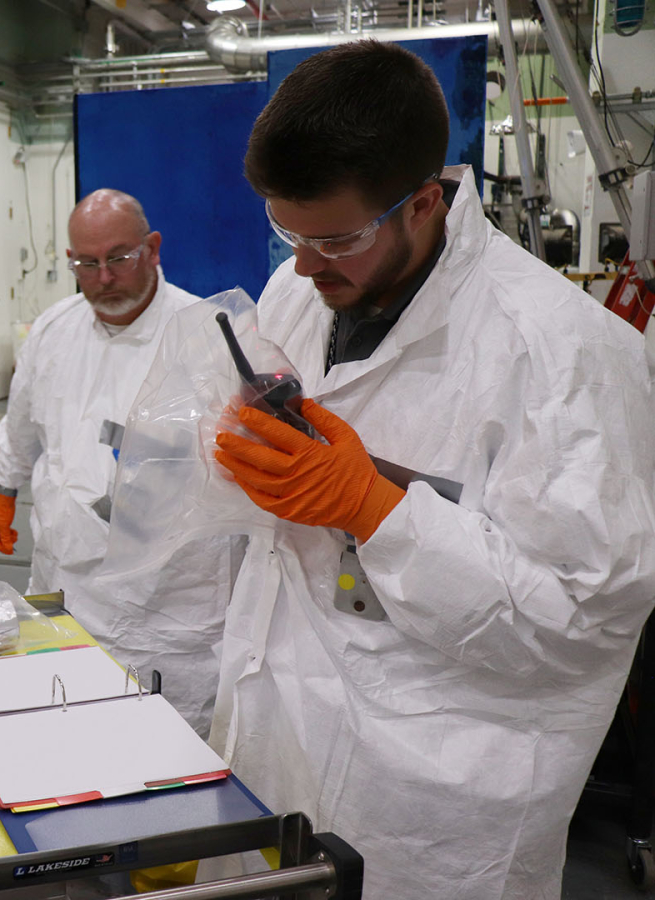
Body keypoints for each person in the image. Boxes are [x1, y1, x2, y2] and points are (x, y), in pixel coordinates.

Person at [209, 41, 655, 899]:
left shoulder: (564, 351)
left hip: (427, 802)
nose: (302, 266)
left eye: (332, 237)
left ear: (422, 203)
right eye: (285, 232)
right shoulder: (300, 296)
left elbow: (586, 620)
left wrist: (377, 510)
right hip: (275, 743)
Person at [0, 189, 232, 735]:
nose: (103, 277)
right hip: (65, 574)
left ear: (153, 249)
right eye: (84, 263)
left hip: (167, 602)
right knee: (62, 726)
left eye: (118, 258)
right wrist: (3, 488)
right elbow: (22, 420)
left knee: (167, 749)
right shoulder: (53, 329)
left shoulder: (207, 334)